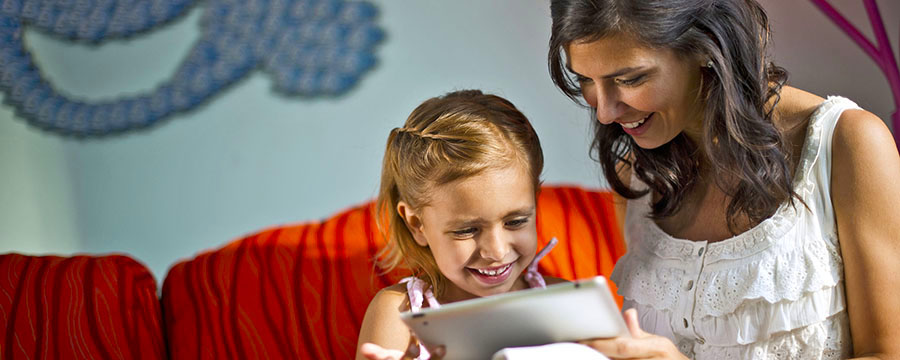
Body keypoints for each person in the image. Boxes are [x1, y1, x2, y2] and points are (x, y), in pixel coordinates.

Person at [546, 0, 900, 359]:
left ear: (706, 46)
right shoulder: (637, 177)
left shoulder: (845, 143)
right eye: (585, 80)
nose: (605, 112)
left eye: (630, 79)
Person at [355, 90, 566, 360]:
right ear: (416, 224)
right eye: (467, 230)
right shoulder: (400, 314)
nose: (497, 251)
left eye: (515, 221)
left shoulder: (561, 300)